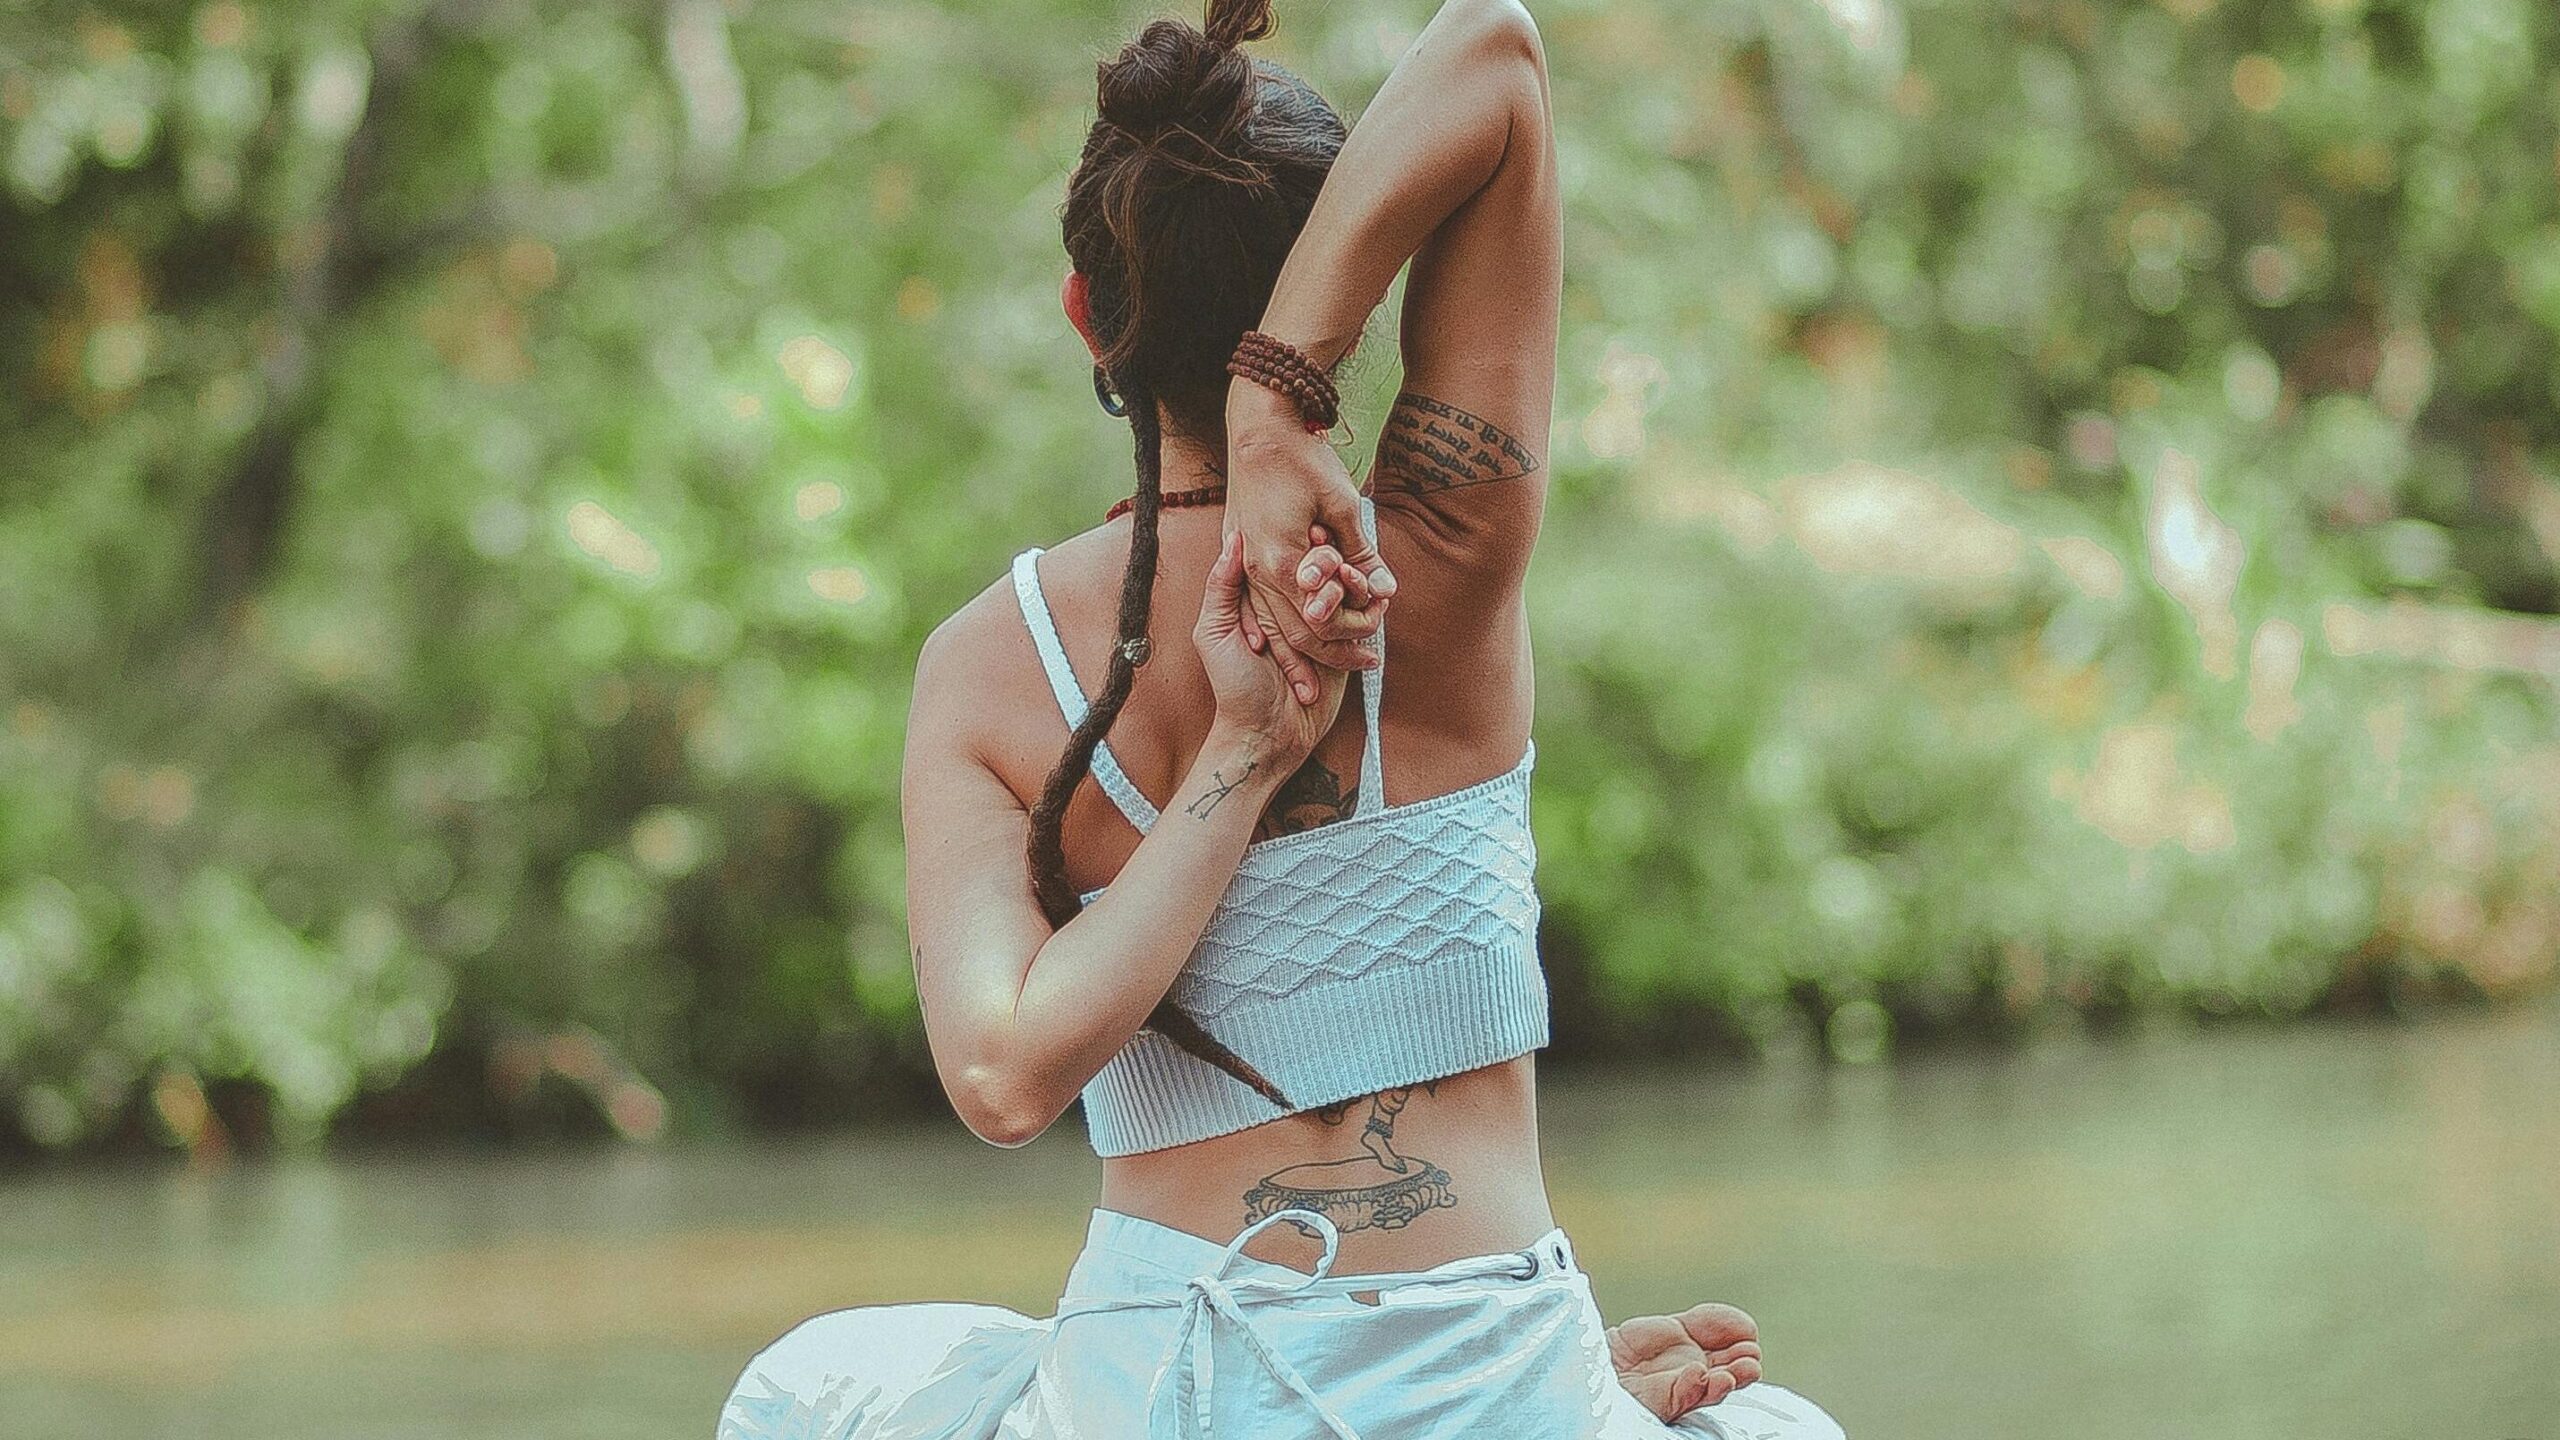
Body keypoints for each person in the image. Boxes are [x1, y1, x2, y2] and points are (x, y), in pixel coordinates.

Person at [721, 2, 1846, 1435]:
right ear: (1356, 296)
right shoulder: (1435, 560)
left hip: (1159, 1383)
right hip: (1488, 1371)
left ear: (1088, 312)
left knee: (813, 1393)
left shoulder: (991, 665)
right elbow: (1494, 49)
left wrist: (1230, 723)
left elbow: (1002, 1076)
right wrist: (1283, 399)